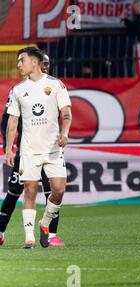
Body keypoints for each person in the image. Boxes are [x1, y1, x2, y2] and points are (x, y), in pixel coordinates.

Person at [5, 47, 72, 248]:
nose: (18, 65)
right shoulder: (17, 90)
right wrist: (9, 148)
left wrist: (65, 133)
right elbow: (12, 122)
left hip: (52, 148)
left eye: (21, 60)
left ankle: (45, 223)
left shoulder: (55, 85)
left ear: (34, 62)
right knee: (30, 189)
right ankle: (29, 238)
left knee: (59, 190)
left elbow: (66, 112)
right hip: (29, 149)